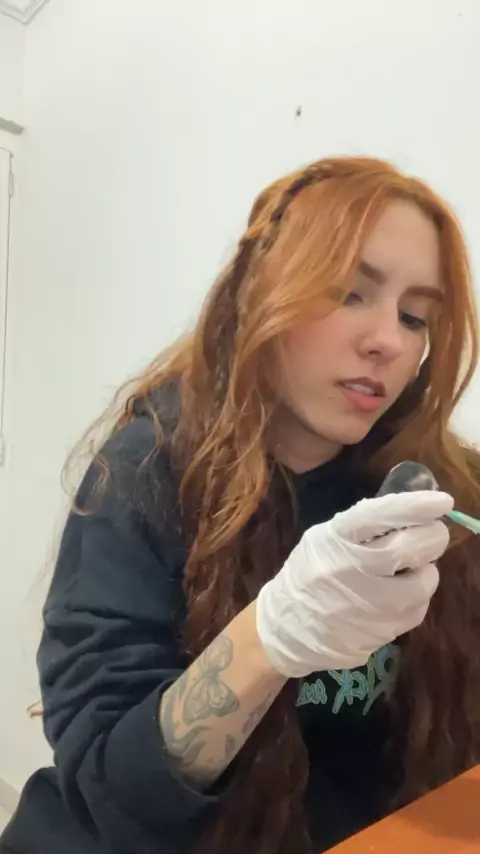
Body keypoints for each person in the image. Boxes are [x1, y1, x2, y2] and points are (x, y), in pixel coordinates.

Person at [2, 156, 480, 854]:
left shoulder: (441, 486)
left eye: (415, 318)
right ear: (262, 292)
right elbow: (113, 794)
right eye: (349, 293)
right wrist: (271, 637)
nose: (388, 340)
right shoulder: (145, 472)